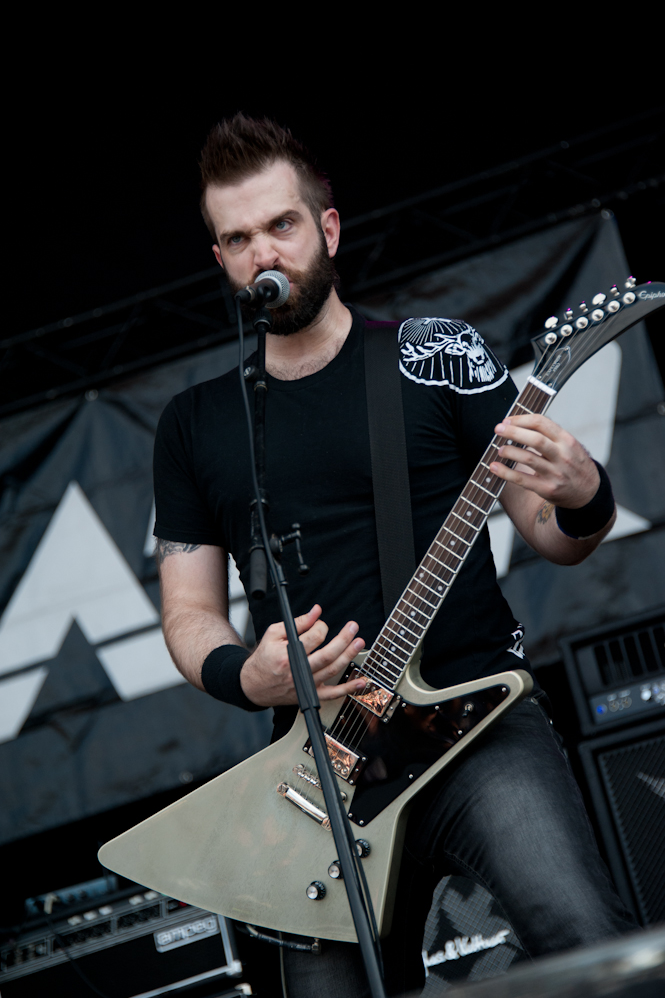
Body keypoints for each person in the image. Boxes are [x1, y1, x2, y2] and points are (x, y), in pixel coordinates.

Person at [152, 115, 634, 997]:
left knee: (581, 940)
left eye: (281, 225)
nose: (263, 251)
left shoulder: (434, 355)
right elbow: (186, 609)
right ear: (219, 257)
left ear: (326, 229)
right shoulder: (195, 425)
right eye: (238, 237)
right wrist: (243, 674)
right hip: (322, 770)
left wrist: (582, 490)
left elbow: (552, 536)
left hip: (477, 728)